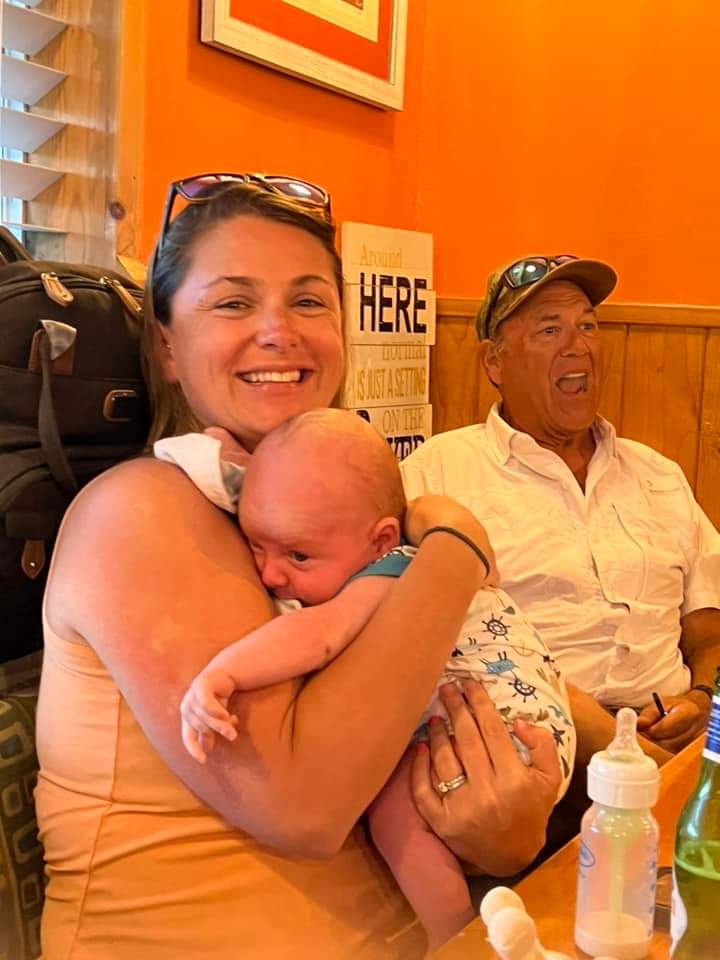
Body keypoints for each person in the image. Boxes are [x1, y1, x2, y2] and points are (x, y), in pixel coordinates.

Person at [34, 178, 562, 960]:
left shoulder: (330, 518)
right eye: (233, 302)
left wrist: (510, 825)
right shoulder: (140, 510)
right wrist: (457, 544)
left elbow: (435, 714)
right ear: (168, 348)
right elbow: (303, 804)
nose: (279, 331)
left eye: (309, 301)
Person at [159, 408, 574, 949]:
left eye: (298, 556)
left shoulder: (393, 569)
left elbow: (318, 635)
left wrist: (224, 672)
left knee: (393, 810)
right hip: (528, 721)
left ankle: (454, 937)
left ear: (381, 540)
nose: (269, 573)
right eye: (255, 545)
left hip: (505, 736)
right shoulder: (347, 534)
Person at [401, 254, 720, 769]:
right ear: (494, 363)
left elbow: (708, 625)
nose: (578, 346)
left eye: (588, 326)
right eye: (550, 330)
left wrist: (703, 698)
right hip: (531, 755)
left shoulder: (658, 475)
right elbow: (419, 649)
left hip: (680, 745)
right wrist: (636, 762)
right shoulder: (435, 476)